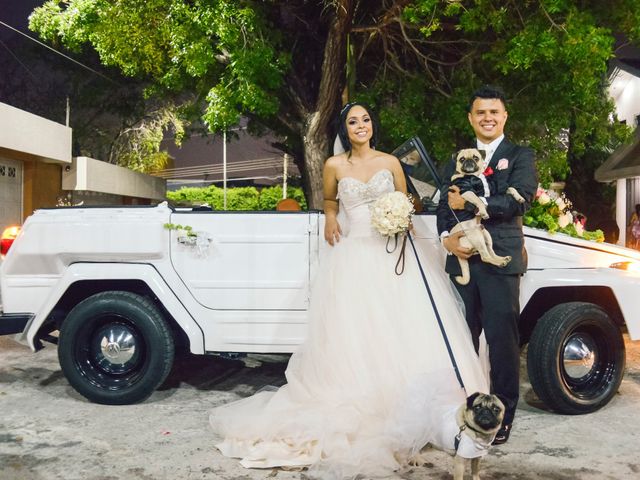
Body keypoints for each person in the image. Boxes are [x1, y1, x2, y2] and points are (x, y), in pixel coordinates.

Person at [210, 102, 489, 478]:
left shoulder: (391, 161)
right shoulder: (334, 165)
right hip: (354, 255)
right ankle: (369, 405)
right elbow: (329, 199)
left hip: (392, 256)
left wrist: (400, 216)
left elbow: (407, 200)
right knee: (357, 332)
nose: (361, 125)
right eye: (353, 121)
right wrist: (329, 216)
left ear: (373, 125)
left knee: (401, 328)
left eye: (366, 119)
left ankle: (413, 410)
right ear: (346, 129)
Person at [436, 85, 538, 445]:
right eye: (480, 113)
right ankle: (465, 410)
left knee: (501, 341)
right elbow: (442, 205)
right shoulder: (458, 158)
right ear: (471, 118)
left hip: (500, 261)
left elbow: (519, 199)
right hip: (462, 259)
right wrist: (447, 237)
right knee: (462, 338)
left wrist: (476, 203)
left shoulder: (520, 155)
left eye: (494, 112)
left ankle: (503, 414)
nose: (487, 118)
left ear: (504, 116)